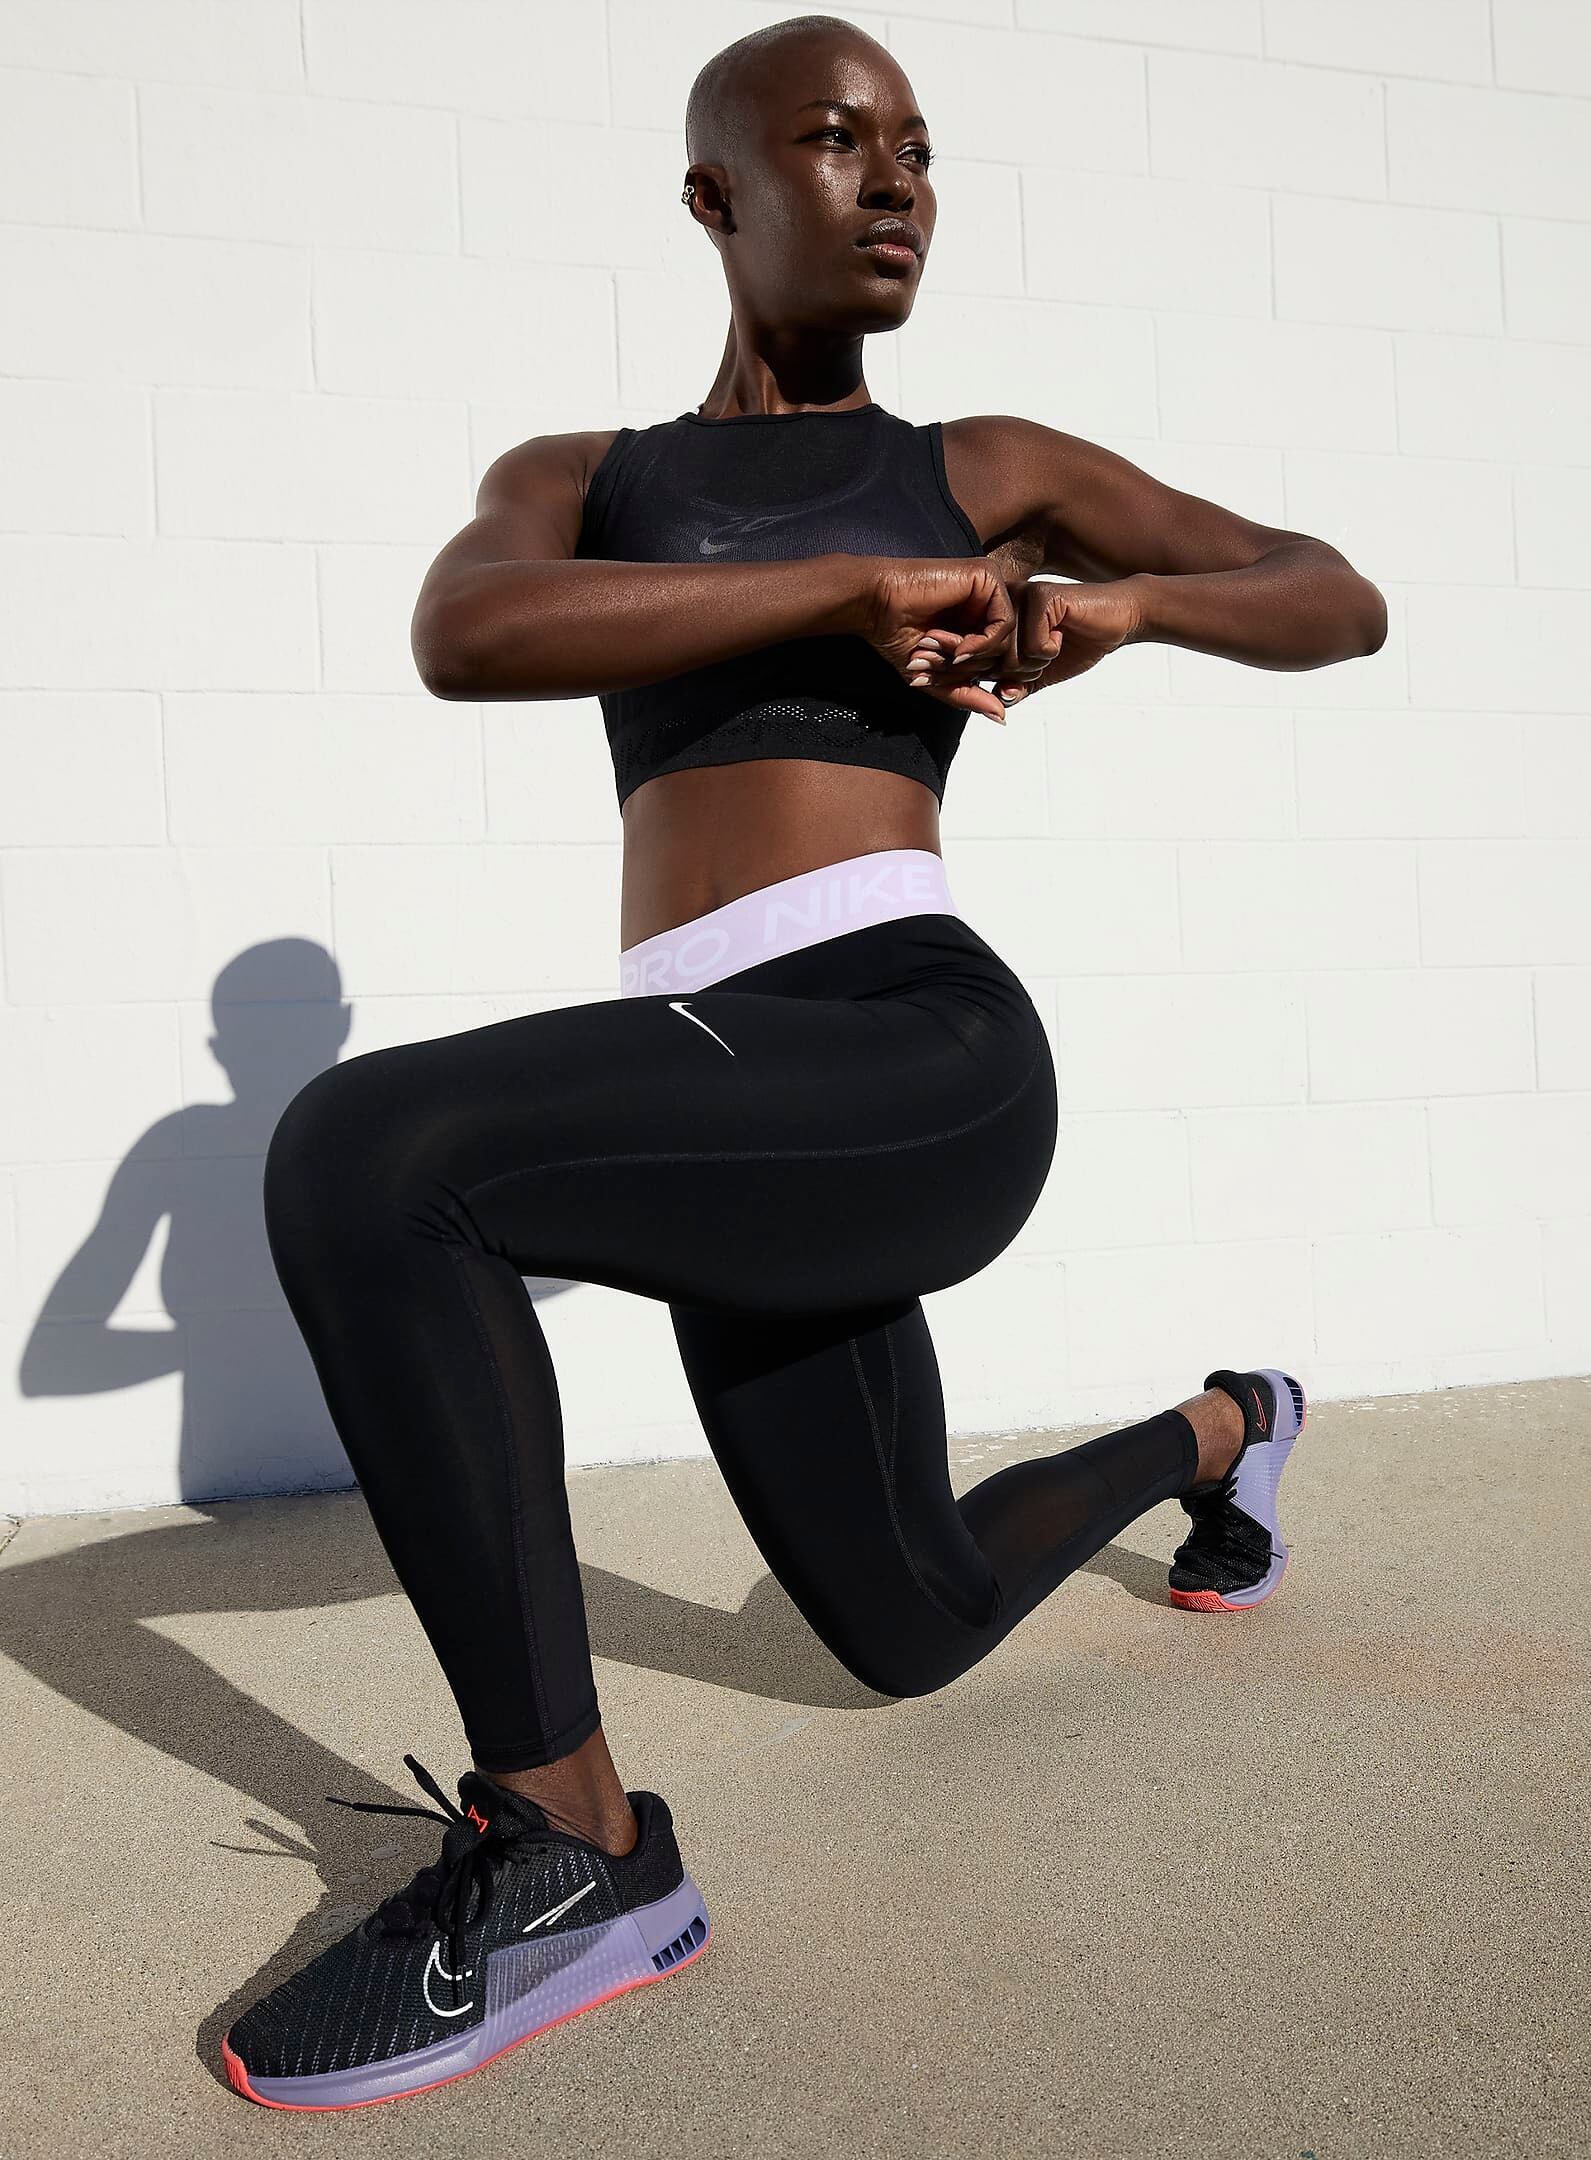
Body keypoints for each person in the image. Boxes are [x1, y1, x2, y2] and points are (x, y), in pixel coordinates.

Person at [221, 12, 1385, 2112]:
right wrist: (847, 593)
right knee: (906, 1619)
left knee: (368, 1154)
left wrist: (1126, 609)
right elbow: (466, 635)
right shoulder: (585, 480)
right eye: (842, 141)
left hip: (909, 1045)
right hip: (731, 1098)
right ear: (717, 194)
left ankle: (575, 1851)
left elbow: (1333, 594)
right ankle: (1229, 1427)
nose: (897, 181)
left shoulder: (984, 467)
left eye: (920, 148)